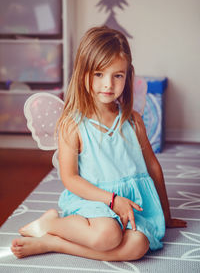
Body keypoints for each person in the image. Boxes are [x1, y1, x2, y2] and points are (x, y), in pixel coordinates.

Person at [11, 26, 187, 261]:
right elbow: (70, 178)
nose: (108, 84)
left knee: (139, 245)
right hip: (94, 200)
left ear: (128, 76)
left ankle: (56, 241)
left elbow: (153, 167)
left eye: (117, 75)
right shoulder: (72, 124)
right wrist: (112, 200)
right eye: (98, 74)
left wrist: (165, 214)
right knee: (107, 236)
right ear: (83, 73)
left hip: (132, 203)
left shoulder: (133, 121)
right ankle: (54, 226)